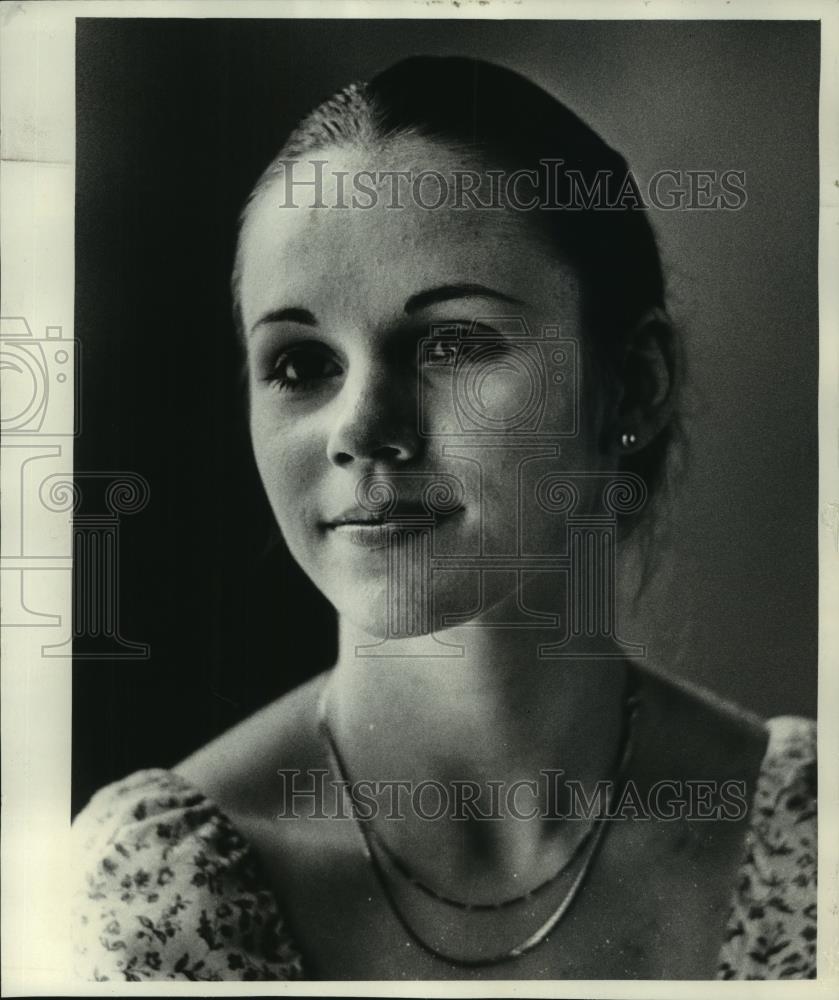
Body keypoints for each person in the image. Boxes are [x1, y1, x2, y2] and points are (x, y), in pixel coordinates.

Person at [71, 56, 816, 981]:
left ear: (633, 383)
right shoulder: (162, 893)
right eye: (302, 365)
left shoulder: (809, 841)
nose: (363, 430)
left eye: (452, 343)